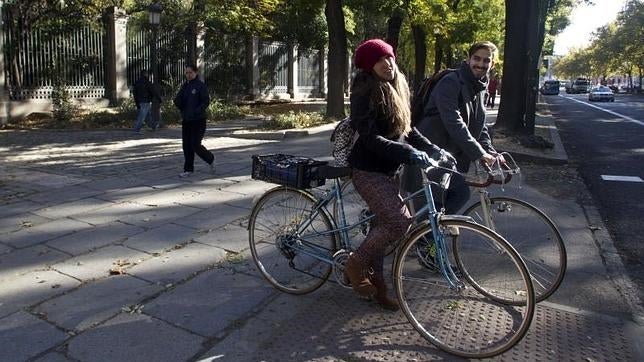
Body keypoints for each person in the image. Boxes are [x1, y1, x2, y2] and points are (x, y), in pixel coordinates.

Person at [344, 39, 453, 310]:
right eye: (380, 61)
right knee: (399, 222)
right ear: (370, 66)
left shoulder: (397, 88)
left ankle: (378, 288)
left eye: (390, 58)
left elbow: (408, 131)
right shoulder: (363, 90)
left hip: (390, 171)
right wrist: (407, 154)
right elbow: (369, 138)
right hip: (367, 170)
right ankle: (355, 263)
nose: (388, 64)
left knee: (380, 228)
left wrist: (434, 149)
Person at [404, 41, 505, 219]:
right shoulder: (451, 82)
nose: (480, 64)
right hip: (431, 150)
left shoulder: (480, 87)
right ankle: (423, 241)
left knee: (459, 194)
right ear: (468, 59)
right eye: (477, 58)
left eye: (486, 60)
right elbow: (454, 122)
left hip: (450, 156)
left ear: (492, 64)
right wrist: (479, 153)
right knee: (432, 203)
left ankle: (429, 235)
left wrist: (490, 151)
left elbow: (479, 128)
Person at [173, 64, 215, 178]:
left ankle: (210, 158)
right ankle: (188, 169)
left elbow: (206, 101)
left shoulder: (200, 86)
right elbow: (178, 100)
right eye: (186, 73)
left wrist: (197, 111)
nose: (188, 75)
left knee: (195, 144)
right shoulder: (185, 86)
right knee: (186, 145)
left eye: (190, 72)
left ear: (195, 73)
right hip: (187, 120)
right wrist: (180, 106)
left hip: (198, 120)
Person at [133, 70, 161, 134]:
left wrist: (136, 103)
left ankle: (153, 126)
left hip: (140, 101)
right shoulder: (147, 82)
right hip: (146, 101)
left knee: (148, 116)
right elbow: (153, 91)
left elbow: (135, 94)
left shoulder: (137, 83)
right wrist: (159, 98)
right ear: (146, 74)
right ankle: (137, 129)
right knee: (142, 116)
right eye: (147, 74)